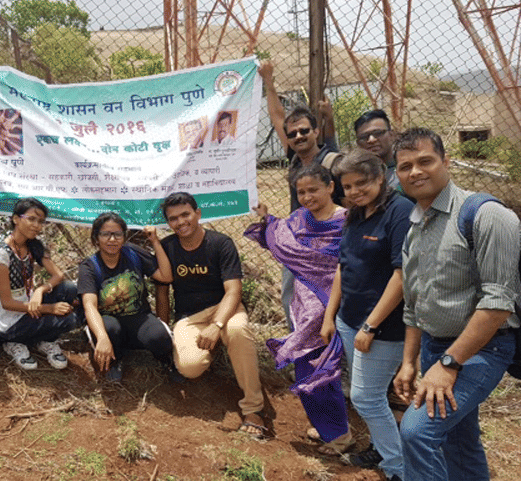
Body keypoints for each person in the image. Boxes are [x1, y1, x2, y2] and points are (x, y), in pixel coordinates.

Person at [392, 128, 520, 481]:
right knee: (459, 443)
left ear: (446, 162)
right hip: (435, 347)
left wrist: (449, 363)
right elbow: (414, 304)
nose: (415, 172)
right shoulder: (416, 227)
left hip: (482, 350)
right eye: (405, 166)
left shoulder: (487, 215)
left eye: (425, 161)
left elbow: (498, 303)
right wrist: (408, 362)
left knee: (418, 432)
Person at [245, 164, 351, 454]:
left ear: (330, 186)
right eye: (301, 192)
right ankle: (328, 427)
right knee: (306, 367)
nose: (306, 197)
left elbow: (347, 265)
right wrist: (266, 218)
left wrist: (329, 311)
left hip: (333, 306)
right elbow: (279, 236)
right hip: (303, 309)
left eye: (313, 190)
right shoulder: (299, 219)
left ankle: (340, 436)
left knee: (325, 370)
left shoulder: (347, 221)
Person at [320, 149, 413, 480]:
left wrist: (371, 325)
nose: (355, 191)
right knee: (371, 394)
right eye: (347, 186)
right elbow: (344, 267)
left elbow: (402, 277)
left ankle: (398, 468)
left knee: (366, 397)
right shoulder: (355, 215)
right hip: (349, 321)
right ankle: (379, 447)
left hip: (383, 327)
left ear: (380, 178)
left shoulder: (400, 213)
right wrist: (332, 316)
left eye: (362, 183)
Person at [155, 192, 269, 437]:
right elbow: (162, 292)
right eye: (173, 218)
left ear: (198, 214)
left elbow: (233, 290)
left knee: (237, 330)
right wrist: (163, 332)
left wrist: (217, 325)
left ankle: (253, 408)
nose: (181, 222)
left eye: (185, 214)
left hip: (224, 310)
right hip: (189, 317)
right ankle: (213, 348)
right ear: (168, 223)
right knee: (190, 368)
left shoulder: (220, 243)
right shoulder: (166, 247)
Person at [259, 60, 343, 331]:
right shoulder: (294, 159)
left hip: (329, 242)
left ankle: (334, 360)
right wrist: (268, 80)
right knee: (292, 298)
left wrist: (329, 116)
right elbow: (277, 117)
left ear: (316, 132)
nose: (298, 136)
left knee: (329, 301)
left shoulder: (330, 160)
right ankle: (301, 346)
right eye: (293, 134)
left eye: (305, 130)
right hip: (298, 239)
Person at [0, 198, 80, 370]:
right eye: (31, 219)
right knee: (70, 319)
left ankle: (42, 340)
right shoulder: (2, 254)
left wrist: (40, 290)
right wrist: (49, 309)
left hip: (28, 305)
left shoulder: (33, 246)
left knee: (68, 289)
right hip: (8, 318)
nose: (37, 226)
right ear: (15, 219)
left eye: (40, 221)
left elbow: (58, 275)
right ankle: (13, 342)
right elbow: (7, 303)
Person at [77, 212, 175, 382]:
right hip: (108, 320)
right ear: (96, 238)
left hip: (137, 316)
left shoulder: (133, 254)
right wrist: (101, 337)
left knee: (160, 337)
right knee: (110, 328)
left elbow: (166, 277)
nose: (112, 239)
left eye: (117, 234)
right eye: (105, 234)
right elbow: (90, 306)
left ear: (124, 236)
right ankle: (114, 361)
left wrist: (155, 242)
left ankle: (167, 362)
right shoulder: (89, 266)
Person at [353, 109, 400, 190]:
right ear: (358, 144)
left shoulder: (407, 169)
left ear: (392, 135)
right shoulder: (355, 174)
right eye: (364, 137)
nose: (371, 140)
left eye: (378, 133)